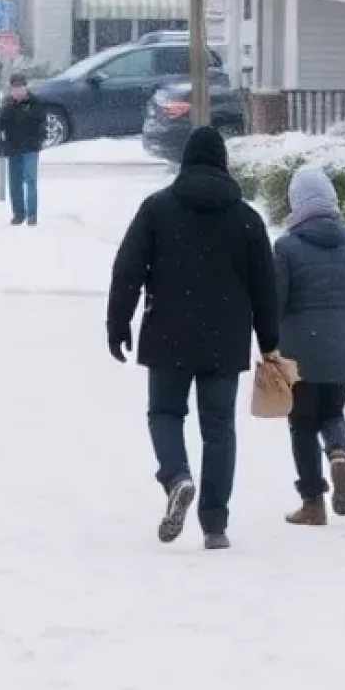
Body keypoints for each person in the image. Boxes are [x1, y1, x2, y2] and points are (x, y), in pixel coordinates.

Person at [107, 125, 279, 551]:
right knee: (219, 428)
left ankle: (177, 475)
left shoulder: (157, 209)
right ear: (224, 163)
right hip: (226, 338)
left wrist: (118, 323)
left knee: (165, 412)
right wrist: (270, 341)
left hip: (168, 330)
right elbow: (265, 287)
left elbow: (127, 269)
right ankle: (215, 524)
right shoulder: (247, 219)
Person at [275, 166, 345, 525]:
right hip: (342, 348)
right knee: (333, 412)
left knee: (302, 423)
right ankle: (338, 453)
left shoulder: (287, 247)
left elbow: (277, 299)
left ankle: (313, 503)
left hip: (299, 353)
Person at [0, 71, 45, 227]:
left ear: (25, 87)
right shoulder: (7, 105)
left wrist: (37, 140)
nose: (17, 90)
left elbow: (38, 122)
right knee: (15, 182)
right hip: (13, 147)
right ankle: (18, 213)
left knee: (30, 180)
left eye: (20, 87)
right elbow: (3, 125)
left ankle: (32, 215)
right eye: (14, 88)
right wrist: (1, 144)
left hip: (30, 146)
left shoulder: (35, 103)